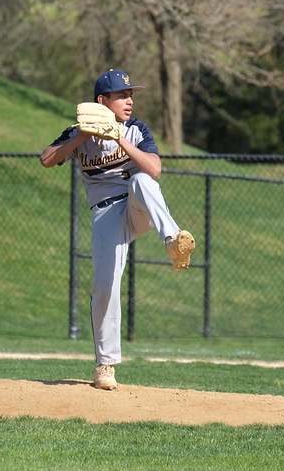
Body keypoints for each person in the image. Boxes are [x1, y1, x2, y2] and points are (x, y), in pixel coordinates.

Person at [40, 68, 196, 390]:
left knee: (141, 178)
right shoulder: (78, 132)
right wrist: (81, 136)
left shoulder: (136, 130)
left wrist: (119, 138)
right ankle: (105, 366)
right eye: (122, 95)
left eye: (130, 95)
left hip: (137, 206)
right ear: (102, 100)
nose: (129, 101)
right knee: (105, 285)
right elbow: (46, 159)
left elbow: (154, 169)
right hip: (106, 215)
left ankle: (172, 239)